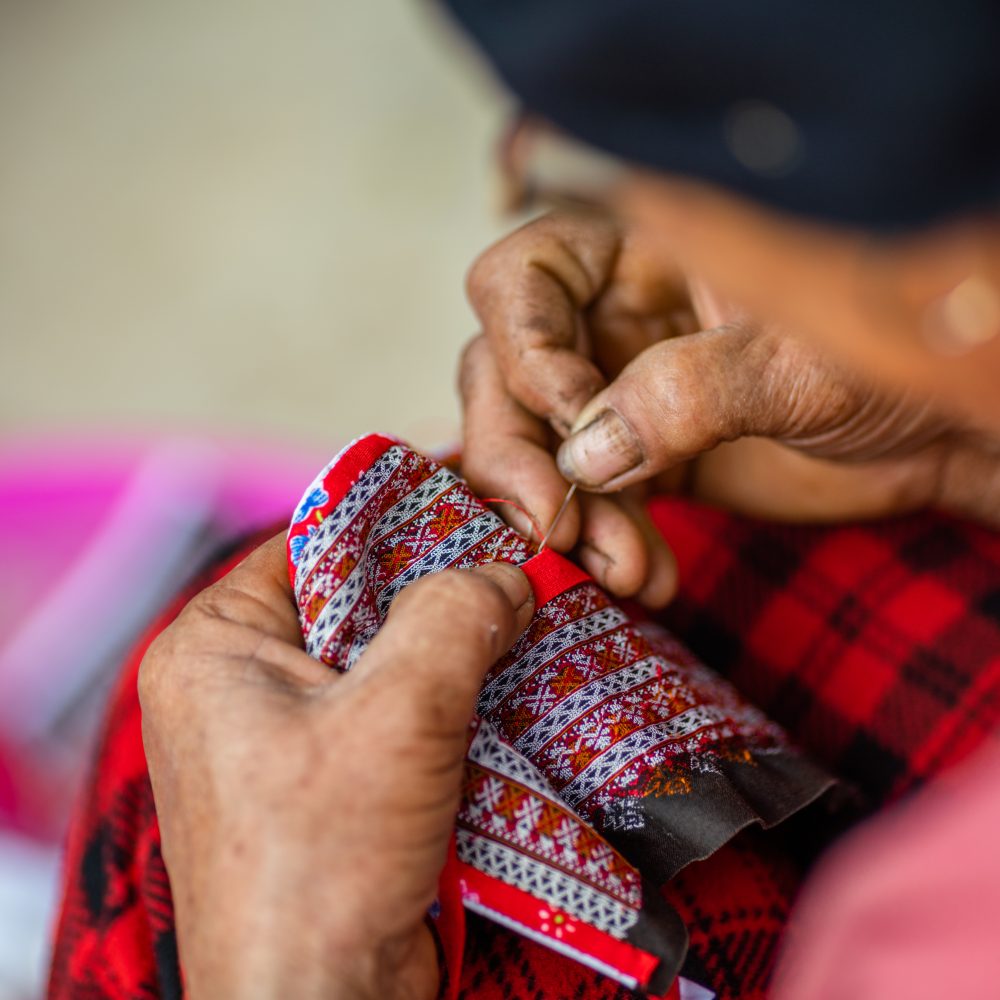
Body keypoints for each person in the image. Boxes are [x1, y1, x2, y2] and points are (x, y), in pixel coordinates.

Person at [49, 2, 1000, 998]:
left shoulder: (911, 941)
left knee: (176, 804)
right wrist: (959, 433)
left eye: (617, 163)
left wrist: (298, 968)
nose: (637, 219)